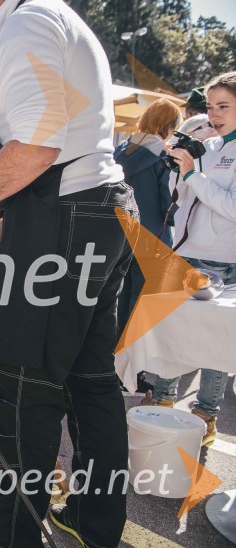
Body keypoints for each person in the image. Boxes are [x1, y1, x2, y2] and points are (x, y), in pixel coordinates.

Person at [0, 1, 138, 548]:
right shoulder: (56, 17)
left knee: (24, 385)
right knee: (91, 381)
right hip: (104, 210)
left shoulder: (25, 24)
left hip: (64, 216)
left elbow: (38, 145)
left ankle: (11, 539)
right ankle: (96, 525)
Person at [142, 71, 236, 447]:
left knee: (214, 343)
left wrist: (194, 176)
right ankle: (163, 403)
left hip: (224, 262)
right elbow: (183, 200)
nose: (214, 114)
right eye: (211, 105)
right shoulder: (210, 147)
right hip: (186, 255)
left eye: (224, 106)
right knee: (173, 333)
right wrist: (179, 169)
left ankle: (205, 415)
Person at [114, 99, 182, 392]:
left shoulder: (121, 151)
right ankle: (132, 373)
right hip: (152, 239)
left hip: (121, 235)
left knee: (121, 302)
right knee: (141, 308)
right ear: (168, 126)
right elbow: (170, 203)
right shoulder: (163, 159)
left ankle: (116, 367)